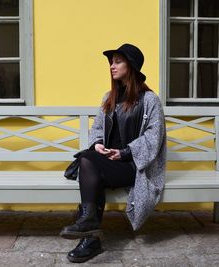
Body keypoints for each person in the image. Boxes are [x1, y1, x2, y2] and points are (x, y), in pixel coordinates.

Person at [60, 43, 167, 263]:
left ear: (132, 66)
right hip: (109, 162)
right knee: (90, 160)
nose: (112, 65)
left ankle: (90, 231)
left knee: (86, 161)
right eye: (111, 61)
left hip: (134, 166)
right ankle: (91, 231)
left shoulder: (150, 100)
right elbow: (98, 128)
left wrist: (125, 152)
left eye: (118, 61)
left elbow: (153, 138)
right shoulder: (109, 97)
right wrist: (98, 144)